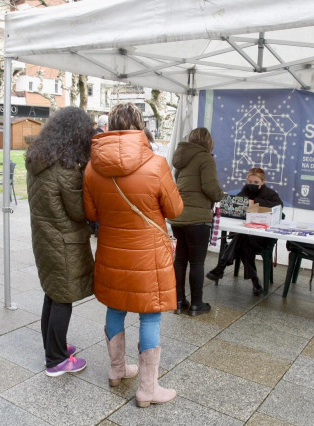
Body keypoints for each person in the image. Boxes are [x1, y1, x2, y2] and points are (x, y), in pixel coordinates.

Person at [83, 102, 183, 407]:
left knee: (115, 307)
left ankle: (116, 370)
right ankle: (147, 389)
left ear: (110, 126)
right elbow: (175, 210)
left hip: (112, 251)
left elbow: (91, 213)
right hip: (148, 255)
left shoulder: (91, 167)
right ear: (140, 126)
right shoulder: (156, 165)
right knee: (149, 315)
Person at [26, 107, 95, 376]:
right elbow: (79, 211)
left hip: (45, 237)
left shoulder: (39, 158)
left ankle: (52, 346)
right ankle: (55, 360)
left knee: (53, 293)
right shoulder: (65, 168)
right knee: (63, 297)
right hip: (64, 240)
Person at [169, 128, 224, 316]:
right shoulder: (206, 158)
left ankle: (177, 301)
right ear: (208, 142)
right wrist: (220, 195)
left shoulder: (181, 159)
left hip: (178, 216)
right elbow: (210, 187)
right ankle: (196, 304)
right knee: (197, 263)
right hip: (198, 219)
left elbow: (178, 184)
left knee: (180, 260)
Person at [206, 167, 283, 295]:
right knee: (244, 240)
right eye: (250, 182)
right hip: (246, 235)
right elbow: (235, 206)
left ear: (262, 182)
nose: (252, 185)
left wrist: (255, 202)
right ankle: (255, 281)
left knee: (241, 238)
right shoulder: (245, 191)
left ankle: (221, 267)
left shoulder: (270, 193)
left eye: (256, 182)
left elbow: (279, 207)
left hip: (261, 237)